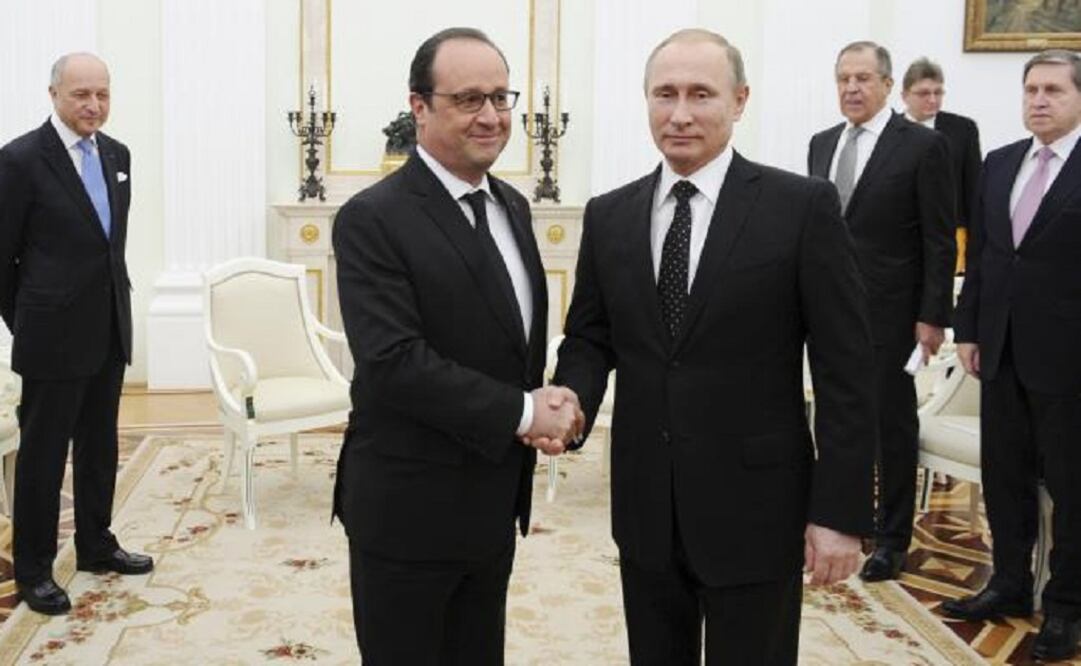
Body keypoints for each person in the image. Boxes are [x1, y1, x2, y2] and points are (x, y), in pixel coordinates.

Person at [551, 29, 876, 664]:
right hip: (646, 506)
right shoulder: (609, 214)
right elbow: (591, 336)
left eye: (701, 94)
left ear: (740, 100)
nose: (680, 113)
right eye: (664, 94)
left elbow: (847, 371)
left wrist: (839, 513)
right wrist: (572, 401)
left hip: (758, 508)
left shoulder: (801, 207)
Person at [331, 27, 579, 664]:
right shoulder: (373, 217)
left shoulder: (514, 207)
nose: (492, 116)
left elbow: (508, 343)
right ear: (420, 107)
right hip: (408, 511)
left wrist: (551, 410)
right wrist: (526, 413)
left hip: (492, 502)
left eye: (501, 97)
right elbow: (393, 363)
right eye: (469, 99)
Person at [0, 53, 151, 616]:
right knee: (42, 455)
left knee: (100, 446)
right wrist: (31, 321)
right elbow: (3, 259)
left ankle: (96, 544)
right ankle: (36, 569)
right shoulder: (19, 160)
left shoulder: (118, 155)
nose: (94, 105)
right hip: (50, 336)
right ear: (54, 95)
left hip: (108, 325)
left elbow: (108, 246)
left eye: (103, 95)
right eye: (81, 94)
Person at [944, 49, 1081, 663]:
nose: (1038, 100)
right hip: (997, 353)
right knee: (1006, 482)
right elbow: (984, 261)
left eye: (1053, 88)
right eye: (1031, 89)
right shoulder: (999, 165)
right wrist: (967, 330)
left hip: (1069, 363)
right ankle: (1008, 584)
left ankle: (1067, 605)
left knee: (1074, 491)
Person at [808, 41, 956, 582]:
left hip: (893, 313)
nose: (851, 88)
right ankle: (846, 516)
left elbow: (940, 239)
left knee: (891, 426)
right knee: (836, 418)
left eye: (863, 78)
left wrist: (933, 315)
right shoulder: (821, 145)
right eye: (843, 78)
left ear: (888, 86)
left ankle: (892, 537)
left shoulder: (920, 146)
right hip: (828, 311)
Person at [900, 57, 982, 272]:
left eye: (938, 92)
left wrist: (977, 236)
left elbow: (973, 185)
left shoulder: (963, 129)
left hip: (952, 231)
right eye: (924, 93)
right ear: (905, 95)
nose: (932, 99)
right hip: (902, 232)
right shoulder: (890, 130)